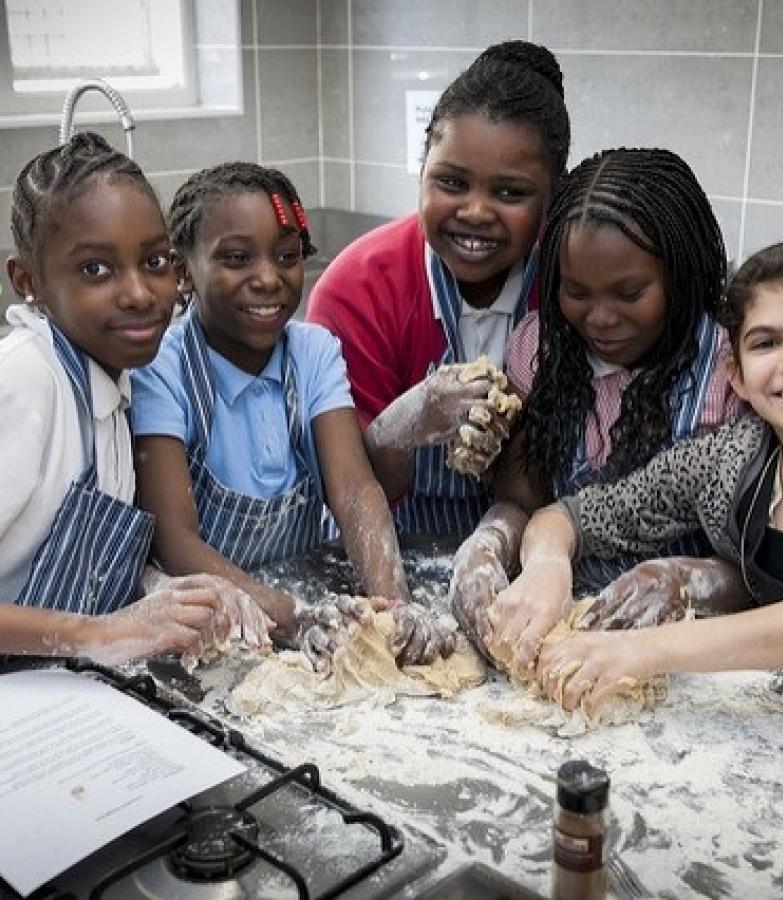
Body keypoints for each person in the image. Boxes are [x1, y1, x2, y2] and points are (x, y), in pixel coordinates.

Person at [491, 226, 783, 709]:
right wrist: (547, 568)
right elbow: (575, 516)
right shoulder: (728, 462)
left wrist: (643, 652)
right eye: (766, 343)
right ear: (738, 377)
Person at [130, 162, 453, 666]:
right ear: (182, 272)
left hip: (306, 594)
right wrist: (292, 617)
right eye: (237, 258)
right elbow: (174, 539)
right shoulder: (163, 371)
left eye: (287, 257)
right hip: (215, 630)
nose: (268, 279)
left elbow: (354, 492)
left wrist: (394, 607)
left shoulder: (313, 352)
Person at [450, 149, 747, 654]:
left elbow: (760, 565)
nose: (600, 317)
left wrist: (680, 581)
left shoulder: (728, 369)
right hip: (558, 627)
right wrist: (490, 545)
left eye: (629, 293)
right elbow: (523, 496)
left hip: (685, 650)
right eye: (577, 292)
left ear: (680, 275)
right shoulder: (540, 348)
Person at [0, 131, 264, 663]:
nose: (141, 294)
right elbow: (90, 625)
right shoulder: (27, 382)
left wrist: (160, 589)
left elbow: (74, 563)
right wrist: (98, 635)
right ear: (28, 281)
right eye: (96, 269)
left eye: (155, 262)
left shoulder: (115, 381)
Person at [306, 40, 570, 536]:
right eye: (450, 183)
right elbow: (346, 490)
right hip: (388, 553)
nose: (474, 212)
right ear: (423, 170)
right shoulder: (357, 291)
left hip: (537, 554)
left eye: (510, 192)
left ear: (555, 195)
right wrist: (403, 424)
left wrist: (501, 538)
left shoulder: (573, 291)